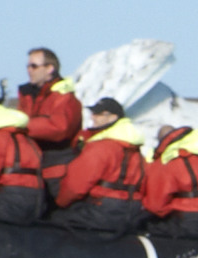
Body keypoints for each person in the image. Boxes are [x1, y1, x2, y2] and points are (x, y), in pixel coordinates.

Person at [49, 98, 152, 233]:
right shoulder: (137, 152)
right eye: (93, 113)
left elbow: (75, 186)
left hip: (101, 210)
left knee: (54, 220)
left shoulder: (101, 147)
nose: (93, 117)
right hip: (131, 211)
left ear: (113, 117)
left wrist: (60, 203)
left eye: (99, 114)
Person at [16, 47, 84, 177]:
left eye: (34, 66)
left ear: (49, 69)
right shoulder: (28, 96)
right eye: (28, 66)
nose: (29, 70)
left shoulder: (64, 96)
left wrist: (22, 125)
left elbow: (60, 127)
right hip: (34, 166)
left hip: (58, 169)